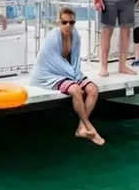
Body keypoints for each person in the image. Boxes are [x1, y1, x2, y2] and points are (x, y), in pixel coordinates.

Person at [32, 7, 102, 145]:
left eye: (71, 22)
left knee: (93, 90)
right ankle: (88, 126)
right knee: (76, 90)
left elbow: (75, 59)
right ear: (59, 22)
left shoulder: (75, 36)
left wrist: (75, 75)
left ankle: (81, 128)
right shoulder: (52, 38)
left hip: (69, 71)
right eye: (64, 22)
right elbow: (53, 62)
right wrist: (73, 77)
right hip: (50, 74)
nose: (68, 26)